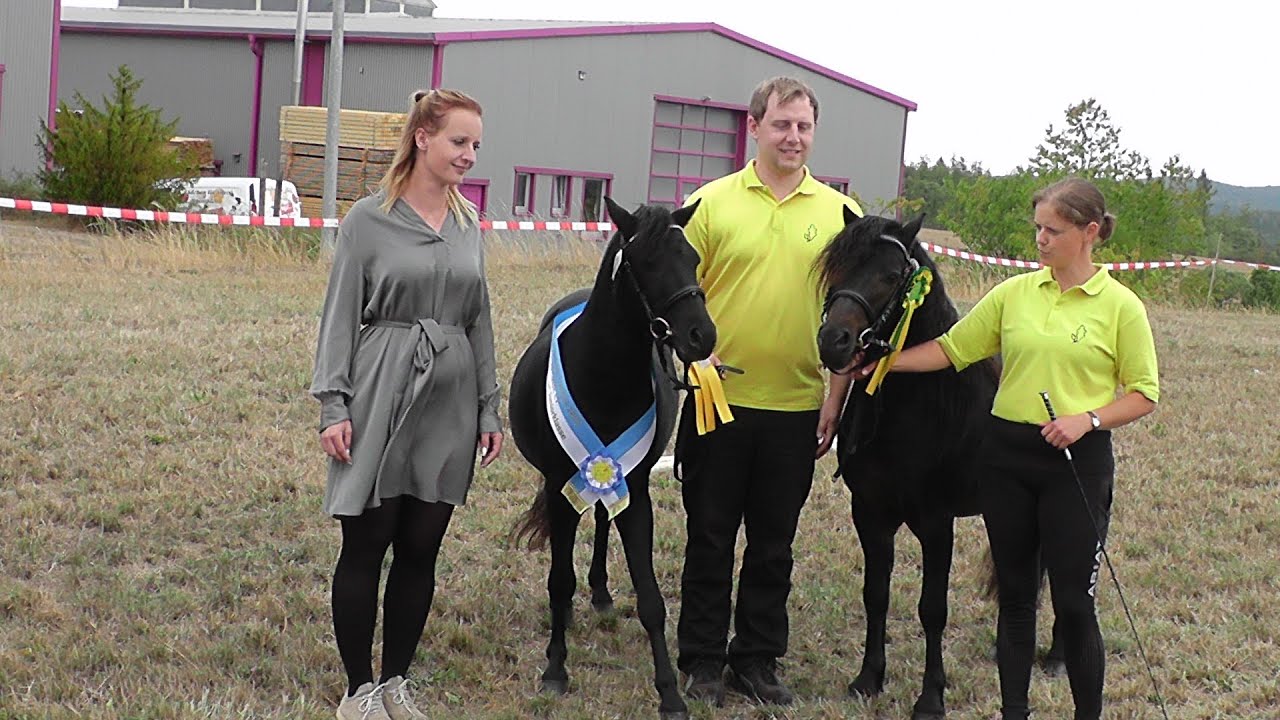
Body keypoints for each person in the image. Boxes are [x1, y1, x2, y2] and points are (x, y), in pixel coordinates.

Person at [849, 177, 1159, 719]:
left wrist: (1087, 419)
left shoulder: (1120, 307)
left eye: (1053, 230)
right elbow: (952, 350)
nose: (1041, 239)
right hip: (1007, 459)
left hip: (1075, 462)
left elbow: (1143, 394)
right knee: (1015, 601)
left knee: (1074, 606)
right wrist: (883, 364)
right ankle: (1014, 711)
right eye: (1038, 227)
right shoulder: (1013, 294)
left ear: (1089, 232)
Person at [309, 88, 503, 720]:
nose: (469, 155)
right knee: (368, 541)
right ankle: (358, 691)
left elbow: (479, 320)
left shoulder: (469, 224)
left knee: (422, 545)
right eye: (459, 141)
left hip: (450, 401)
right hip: (380, 390)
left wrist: (488, 407)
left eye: (476, 145)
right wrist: (333, 405)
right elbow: (340, 316)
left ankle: (396, 681)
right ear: (422, 137)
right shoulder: (368, 220)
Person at [674, 76, 860, 707]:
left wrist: (834, 398)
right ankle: (702, 660)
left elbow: (853, 321)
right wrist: (694, 356)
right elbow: (671, 293)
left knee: (774, 545)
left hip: (796, 408)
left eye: (804, 126)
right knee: (709, 537)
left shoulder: (840, 215)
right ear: (754, 127)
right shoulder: (709, 204)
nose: (793, 137)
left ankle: (756, 659)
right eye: (782, 124)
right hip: (716, 404)